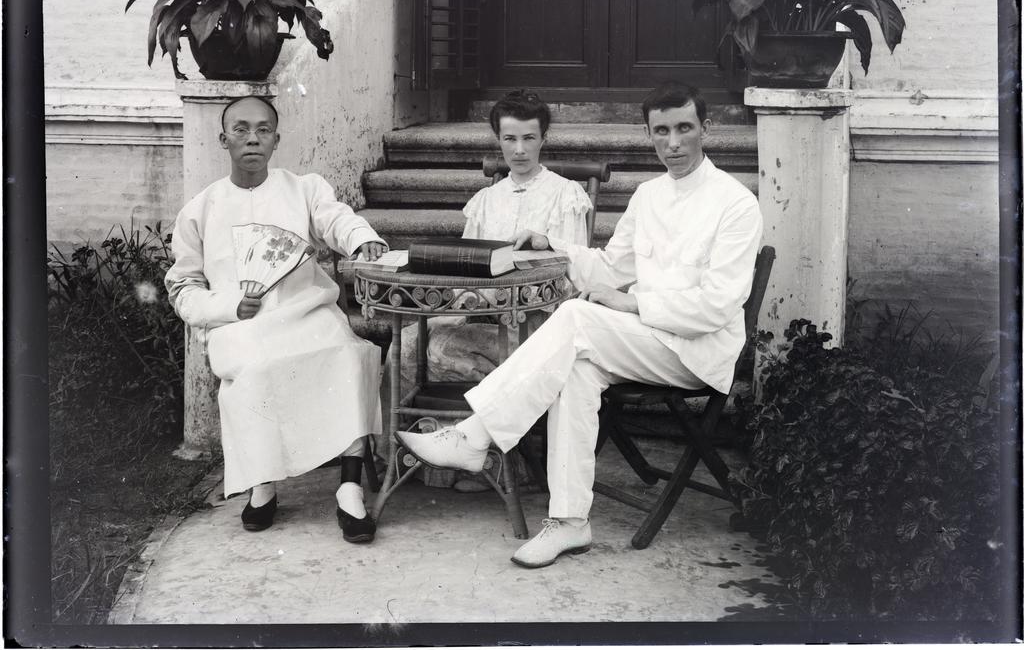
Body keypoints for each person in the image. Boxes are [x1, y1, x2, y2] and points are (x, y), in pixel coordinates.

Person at [396, 82, 763, 567]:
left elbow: (718, 306)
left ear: (705, 129)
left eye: (684, 129)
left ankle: (473, 434)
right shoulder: (649, 195)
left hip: (696, 351)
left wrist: (632, 305)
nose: (672, 143)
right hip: (646, 342)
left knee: (575, 318)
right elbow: (612, 268)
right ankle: (570, 522)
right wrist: (552, 244)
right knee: (575, 369)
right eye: (660, 131)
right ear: (649, 134)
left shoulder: (736, 203)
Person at [165, 95, 387, 544]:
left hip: (306, 312)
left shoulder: (303, 188)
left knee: (346, 354)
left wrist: (362, 240)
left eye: (263, 129)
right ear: (223, 138)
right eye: (242, 129)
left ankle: (348, 486)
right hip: (240, 326)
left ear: (276, 139)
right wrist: (227, 306)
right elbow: (183, 287)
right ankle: (262, 484)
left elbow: (337, 219)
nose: (252, 138)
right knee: (257, 370)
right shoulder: (200, 209)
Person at [389, 89, 592, 490]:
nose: (519, 150)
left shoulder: (565, 195)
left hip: (539, 320)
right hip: (480, 314)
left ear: (544, 138)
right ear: (498, 140)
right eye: (509, 139)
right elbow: (465, 267)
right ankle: (413, 459)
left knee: (471, 348)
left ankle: (497, 464)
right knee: (406, 344)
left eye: (529, 138)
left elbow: (571, 273)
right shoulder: (485, 201)